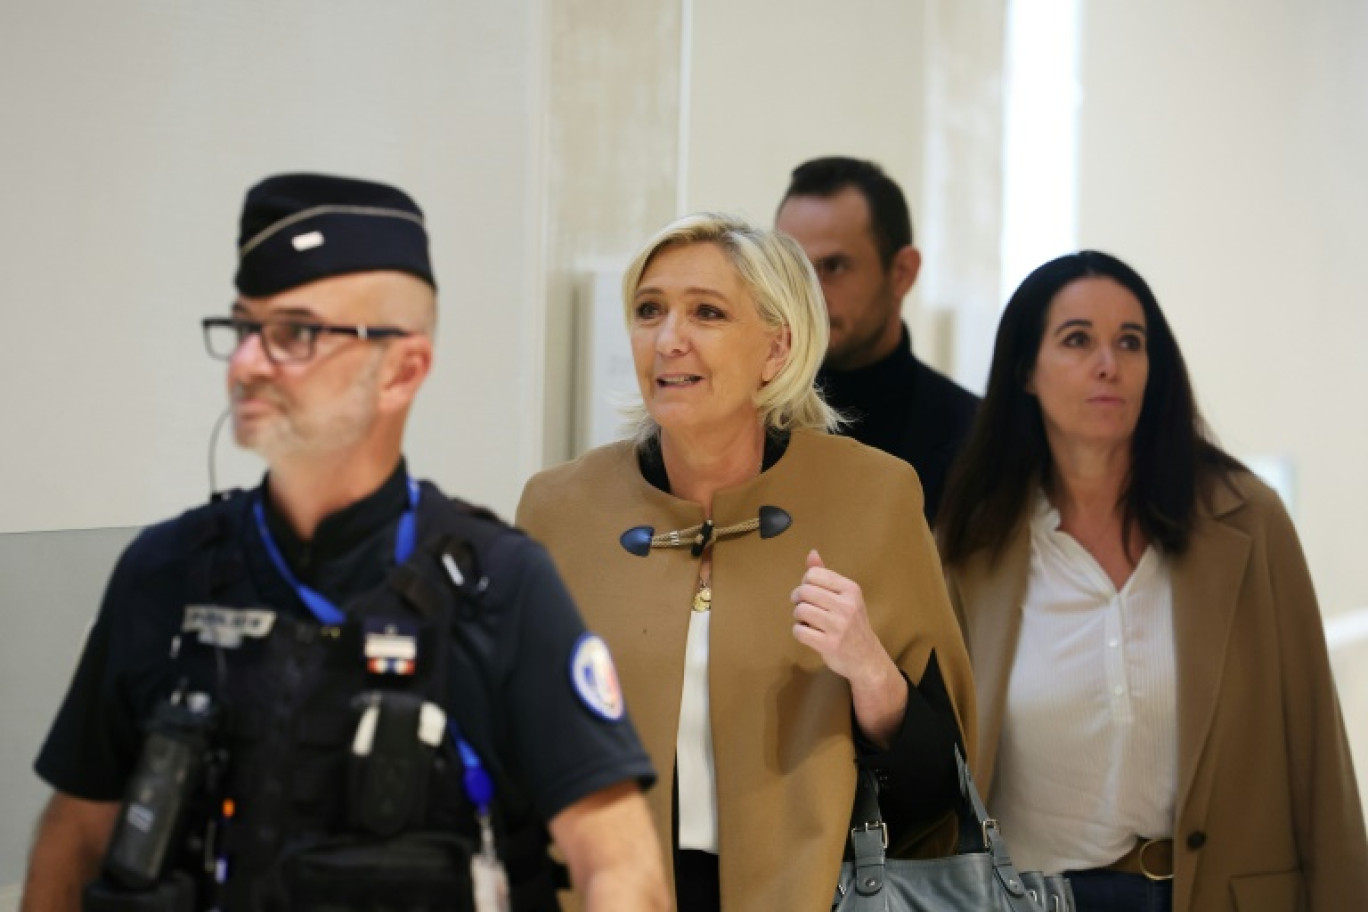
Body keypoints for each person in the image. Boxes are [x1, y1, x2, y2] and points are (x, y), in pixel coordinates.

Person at [21, 173, 668, 912]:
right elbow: (75, 838)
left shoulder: (497, 584)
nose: (246, 364)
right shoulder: (165, 573)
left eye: (295, 334)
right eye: (243, 328)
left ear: (403, 369)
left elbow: (621, 869)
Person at [516, 212, 976, 911]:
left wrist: (868, 667)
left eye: (706, 312)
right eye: (649, 311)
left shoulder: (874, 497)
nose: (669, 340)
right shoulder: (560, 510)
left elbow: (941, 784)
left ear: (776, 348)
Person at [937, 250, 1368, 911]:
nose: (1108, 363)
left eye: (1130, 342)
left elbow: (1317, 754)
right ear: (1026, 370)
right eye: (1078, 340)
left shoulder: (1248, 521)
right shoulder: (971, 545)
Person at [775, 156, 979, 523]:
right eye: (794, 269)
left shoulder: (975, 439)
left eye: (834, 267)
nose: (809, 294)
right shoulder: (745, 424)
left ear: (902, 273)